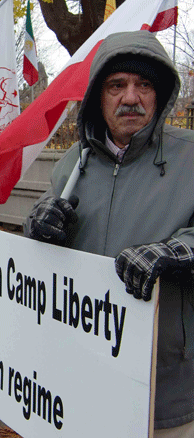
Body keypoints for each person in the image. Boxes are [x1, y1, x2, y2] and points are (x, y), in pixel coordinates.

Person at [24, 31, 194, 436]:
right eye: (117, 85)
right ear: (98, 95)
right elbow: (46, 226)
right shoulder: (73, 162)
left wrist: (177, 253)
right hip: (81, 373)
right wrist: (39, 225)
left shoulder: (190, 154)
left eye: (144, 85)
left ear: (160, 94)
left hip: (166, 382)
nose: (131, 98)